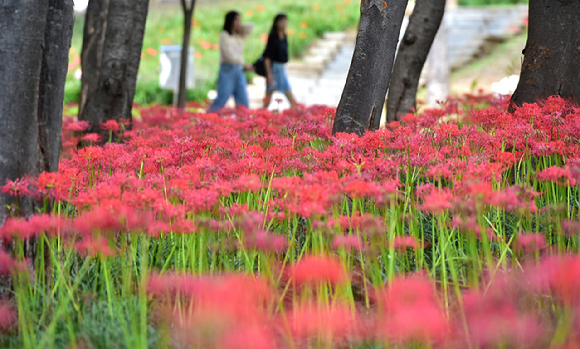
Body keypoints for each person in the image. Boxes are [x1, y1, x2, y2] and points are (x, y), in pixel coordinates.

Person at [208, 11, 254, 113]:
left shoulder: (238, 36)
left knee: (243, 102)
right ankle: (208, 121)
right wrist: (243, 63)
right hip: (227, 70)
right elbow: (228, 55)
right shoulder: (224, 35)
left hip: (238, 70)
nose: (239, 22)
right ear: (230, 21)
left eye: (240, 20)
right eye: (236, 20)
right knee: (222, 99)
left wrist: (240, 26)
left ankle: (243, 125)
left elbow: (251, 27)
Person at [262, 13, 298, 110]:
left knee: (290, 96)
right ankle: (258, 118)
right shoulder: (273, 37)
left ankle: (297, 115)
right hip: (274, 69)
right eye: (282, 21)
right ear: (276, 23)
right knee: (267, 100)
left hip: (281, 69)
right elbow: (267, 57)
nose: (284, 23)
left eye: (285, 21)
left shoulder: (284, 36)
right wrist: (269, 74)